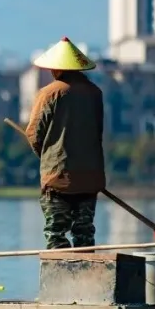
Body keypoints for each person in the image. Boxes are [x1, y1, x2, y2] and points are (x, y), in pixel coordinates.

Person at [24, 37, 106, 250]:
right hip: (90, 177)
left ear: (56, 69)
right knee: (84, 237)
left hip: (57, 177)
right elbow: (98, 131)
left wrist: (46, 156)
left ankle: (61, 279)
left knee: (56, 236)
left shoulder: (48, 93)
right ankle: (89, 277)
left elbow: (33, 134)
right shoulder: (95, 93)